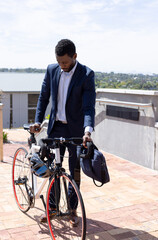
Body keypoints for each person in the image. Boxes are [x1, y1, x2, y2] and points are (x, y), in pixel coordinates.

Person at [30, 39, 96, 225]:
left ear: (75, 56)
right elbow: (43, 98)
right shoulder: (52, 70)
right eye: (59, 62)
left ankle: (72, 210)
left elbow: (88, 107)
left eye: (65, 62)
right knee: (52, 169)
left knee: (74, 171)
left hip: (75, 130)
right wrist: (38, 121)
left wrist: (87, 130)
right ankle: (52, 208)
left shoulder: (86, 74)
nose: (61, 66)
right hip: (55, 127)